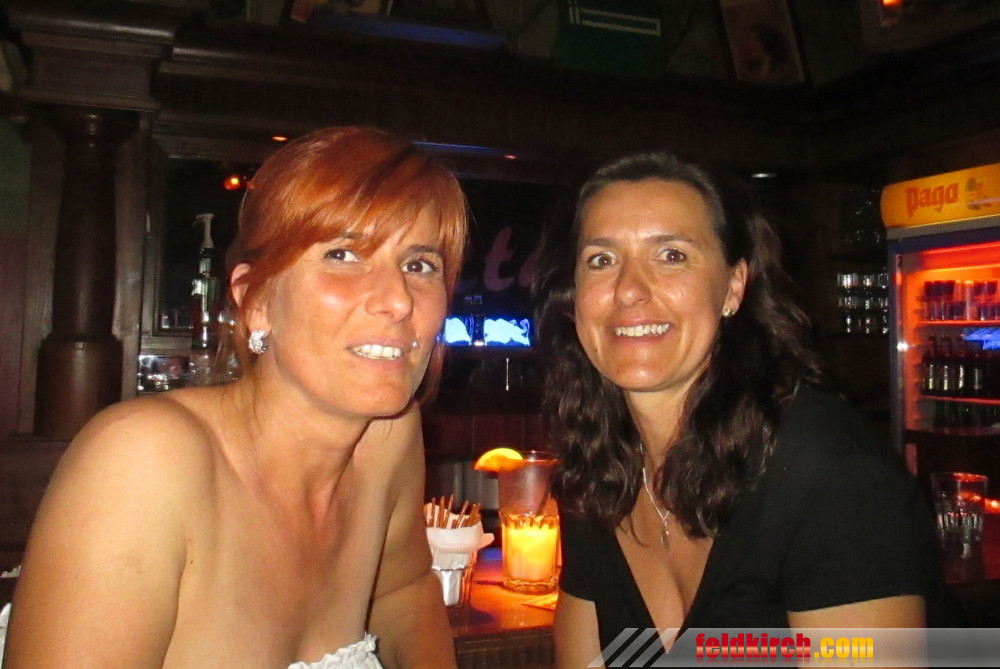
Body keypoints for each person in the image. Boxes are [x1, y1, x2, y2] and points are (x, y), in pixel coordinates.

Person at [6, 126, 467, 668]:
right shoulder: (144, 459)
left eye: (419, 265)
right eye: (343, 254)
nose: (397, 300)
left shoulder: (387, 434)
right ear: (255, 301)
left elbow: (402, 591)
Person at [532, 151, 958, 667]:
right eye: (601, 260)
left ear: (734, 286)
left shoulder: (830, 474)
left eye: (671, 255)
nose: (628, 291)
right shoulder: (597, 470)